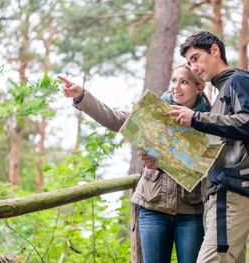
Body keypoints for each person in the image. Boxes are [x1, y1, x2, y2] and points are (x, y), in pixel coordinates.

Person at [58, 64, 210, 263]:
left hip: (192, 210)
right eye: (174, 80)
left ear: (199, 87)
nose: (176, 87)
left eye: (184, 82)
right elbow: (117, 119)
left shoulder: (209, 119)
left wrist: (167, 160)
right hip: (152, 206)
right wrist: (82, 97)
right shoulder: (156, 110)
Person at [162, 31, 249, 263]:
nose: (194, 67)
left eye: (196, 58)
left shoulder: (239, 81)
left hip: (232, 196)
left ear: (215, 50)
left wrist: (197, 119)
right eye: (190, 62)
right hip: (220, 197)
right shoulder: (222, 93)